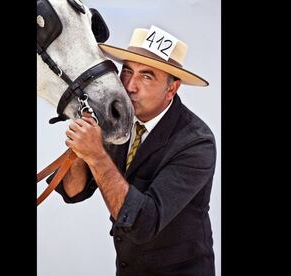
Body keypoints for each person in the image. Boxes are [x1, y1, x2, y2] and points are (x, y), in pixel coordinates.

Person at [54, 26, 216, 275]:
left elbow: (142, 224)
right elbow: (73, 192)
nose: (130, 86)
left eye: (147, 76)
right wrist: (80, 152)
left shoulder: (197, 142)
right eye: (127, 71)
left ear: (172, 89)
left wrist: (96, 155)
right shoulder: (119, 119)